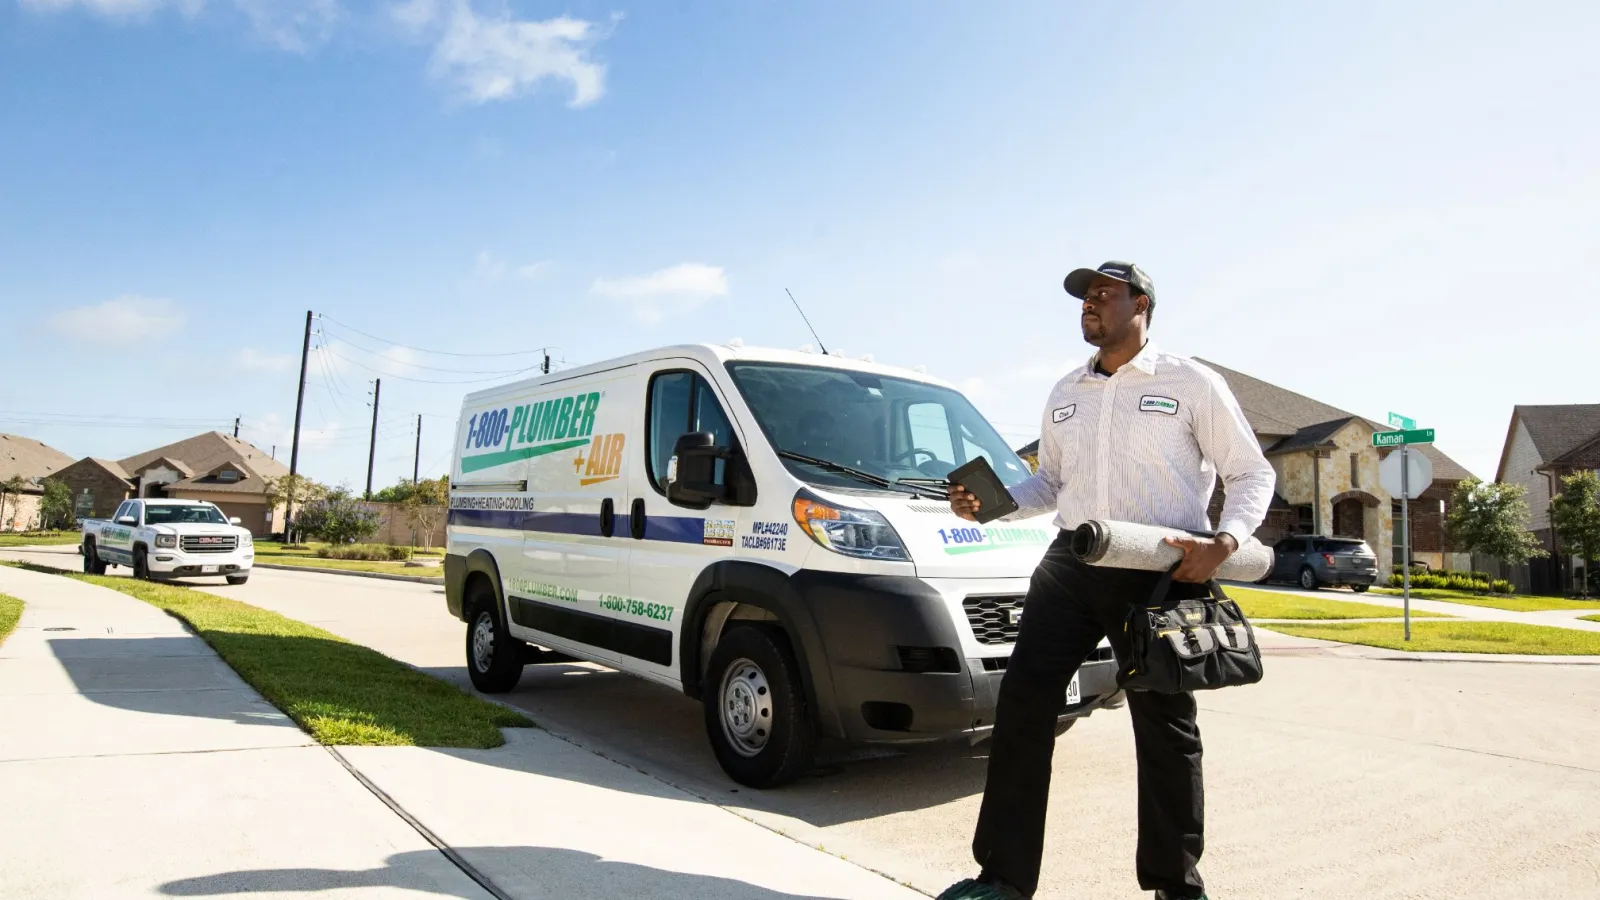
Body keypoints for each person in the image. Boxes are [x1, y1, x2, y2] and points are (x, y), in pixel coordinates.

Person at [936, 261, 1276, 900]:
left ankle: (1176, 887)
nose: (1088, 304)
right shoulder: (1066, 392)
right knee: (1024, 705)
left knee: (1164, 724)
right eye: (1084, 296)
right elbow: (1051, 484)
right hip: (1071, 562)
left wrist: (1225, 541)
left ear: (1141, 303)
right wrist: (995, 502)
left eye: (1102, 294)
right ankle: (1003, 878)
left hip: (1156, 571)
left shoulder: (1189, 382)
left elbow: (1252, 473)